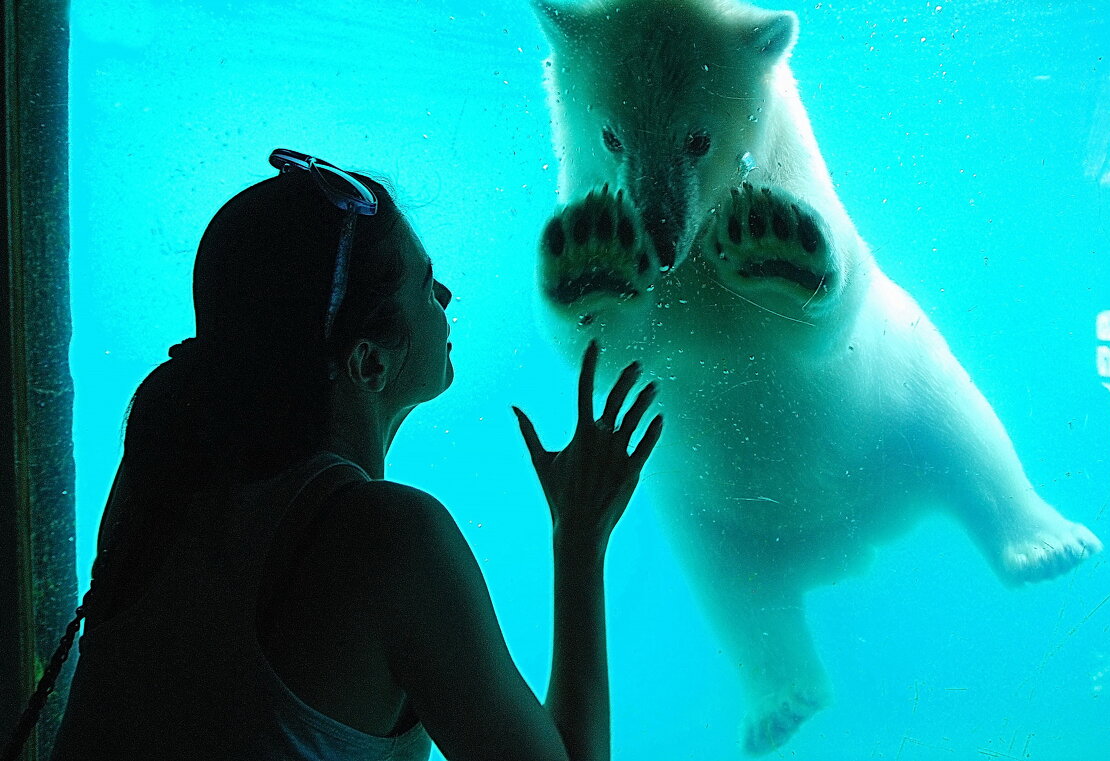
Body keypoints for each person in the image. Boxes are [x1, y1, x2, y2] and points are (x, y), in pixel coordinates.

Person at [36, 149, 664, 761]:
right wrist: (579, 535)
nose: (446, 297)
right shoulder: (389, 538)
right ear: (369, 361)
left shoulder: (161, 487)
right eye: (426, 288)